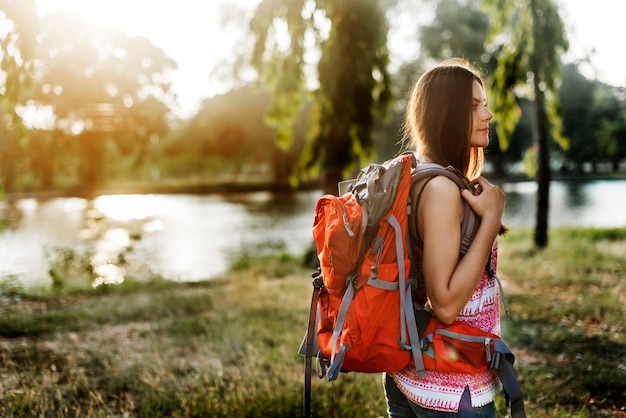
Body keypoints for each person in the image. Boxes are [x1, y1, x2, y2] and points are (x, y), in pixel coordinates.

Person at [383, 58, 508, 417]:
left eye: (484, 104)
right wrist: (491, 220)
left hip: (414, 373)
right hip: (450, 388)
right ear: (446, 114)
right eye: (474, 106)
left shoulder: (421, 176)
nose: (488, 115)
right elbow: (446, 304)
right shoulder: (440, 188)